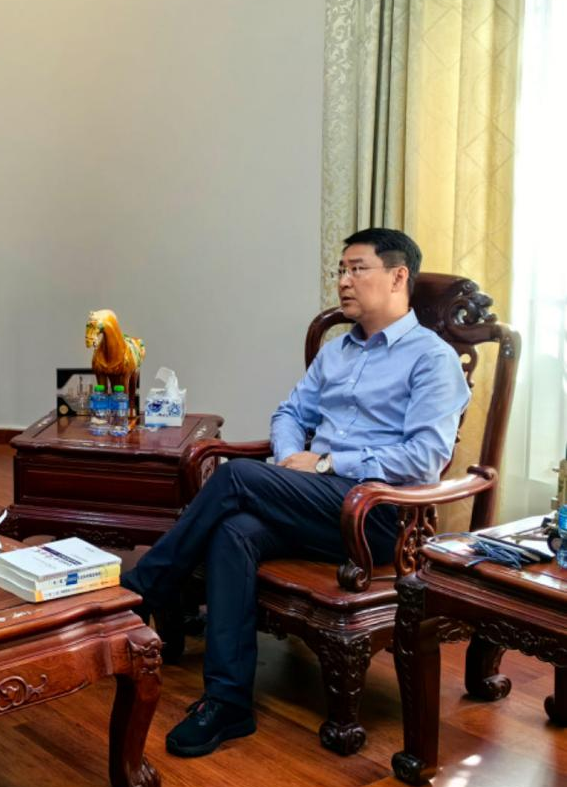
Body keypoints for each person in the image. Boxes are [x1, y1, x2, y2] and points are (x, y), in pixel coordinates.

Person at [118, 228, 470, 757]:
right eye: (340, 270)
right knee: (234, 532)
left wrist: (326, 462)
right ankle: (228, 702)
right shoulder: (337, 352)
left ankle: (144, 588)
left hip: (377, 515)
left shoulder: (431, 359)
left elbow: (424, 459)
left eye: (357, 269)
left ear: (398, 277)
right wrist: (289, 462)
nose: (343, 281)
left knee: (236, 476)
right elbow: (289, 414)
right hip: (314, 499)